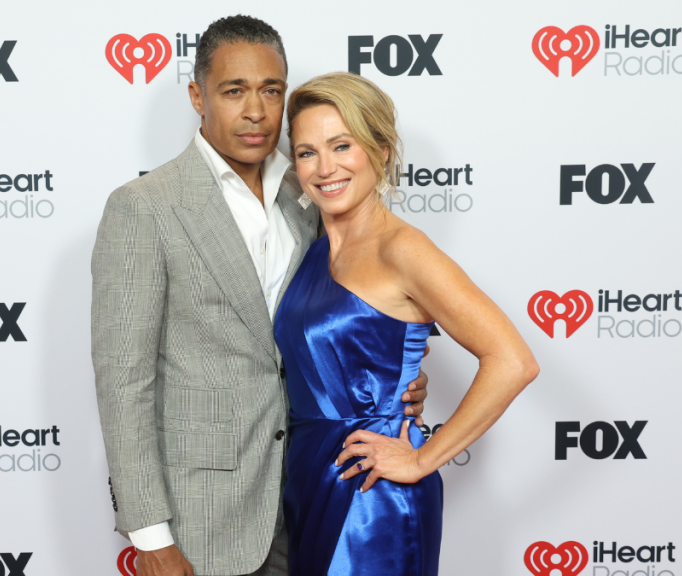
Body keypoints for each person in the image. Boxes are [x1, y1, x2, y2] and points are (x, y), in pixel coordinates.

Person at [91, 17, 430, 576]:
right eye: (234, 91)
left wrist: (396, 379)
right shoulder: (144, 207)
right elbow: (124, 383)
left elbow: (346, 319)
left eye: (271, 90)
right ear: (198, 95)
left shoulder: (315, 192)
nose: (255, 111)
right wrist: (150, 535)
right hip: (203, 519)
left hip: (317, 490)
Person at [276, 72, 540, 575]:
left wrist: (421, 460)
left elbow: (513, 361)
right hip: (309, 478)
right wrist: (403, 379)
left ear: (380, 149)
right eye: (307, 152)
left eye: (341, 145)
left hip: (374, 494)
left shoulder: (403, 249)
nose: (324, 167)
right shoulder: (312, 249)